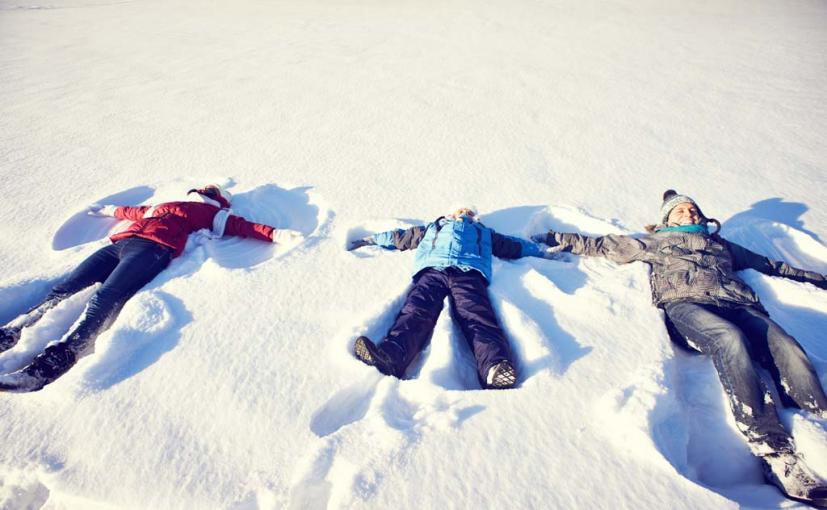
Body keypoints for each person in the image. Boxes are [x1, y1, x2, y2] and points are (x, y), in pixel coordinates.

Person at [532, 190, 827, 506]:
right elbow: (604, 245)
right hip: (686, 307)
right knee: (730, 341)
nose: (689, 214)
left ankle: (817, 421)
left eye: (693, 210)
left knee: (786, 345)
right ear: (667, 219)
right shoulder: (658, 242)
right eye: (681, 211)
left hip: (738, 305)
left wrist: (817, 278)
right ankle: (774, 450)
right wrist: (554, 236)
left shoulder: (721, 246)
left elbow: (770, 265)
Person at [0, 184, 302, 392]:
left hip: (154, 250)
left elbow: (241, 227)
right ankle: (13, 331)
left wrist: (275, 233)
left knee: (107, 297)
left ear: (218, 200)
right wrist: (107, 208)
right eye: (203, 189)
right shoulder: (160, 206)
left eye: (211, 191)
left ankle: (61, 356)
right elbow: (131, 212)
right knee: (65, 288)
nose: (204, 191)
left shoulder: (211, 215)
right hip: (120, 244)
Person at [348, 205, 548, 389]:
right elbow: (401, 237)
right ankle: (390, 357)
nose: (464, 213)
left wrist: (541, 249)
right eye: (460, 210)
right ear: (451, 213)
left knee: (477, 317)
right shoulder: (434, 227)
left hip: (469, 273)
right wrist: (371, 240)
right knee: (416, 311)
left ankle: (494, 367)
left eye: (469, 212)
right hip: (432, 271)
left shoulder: (484, 233)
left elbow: (513, 246)